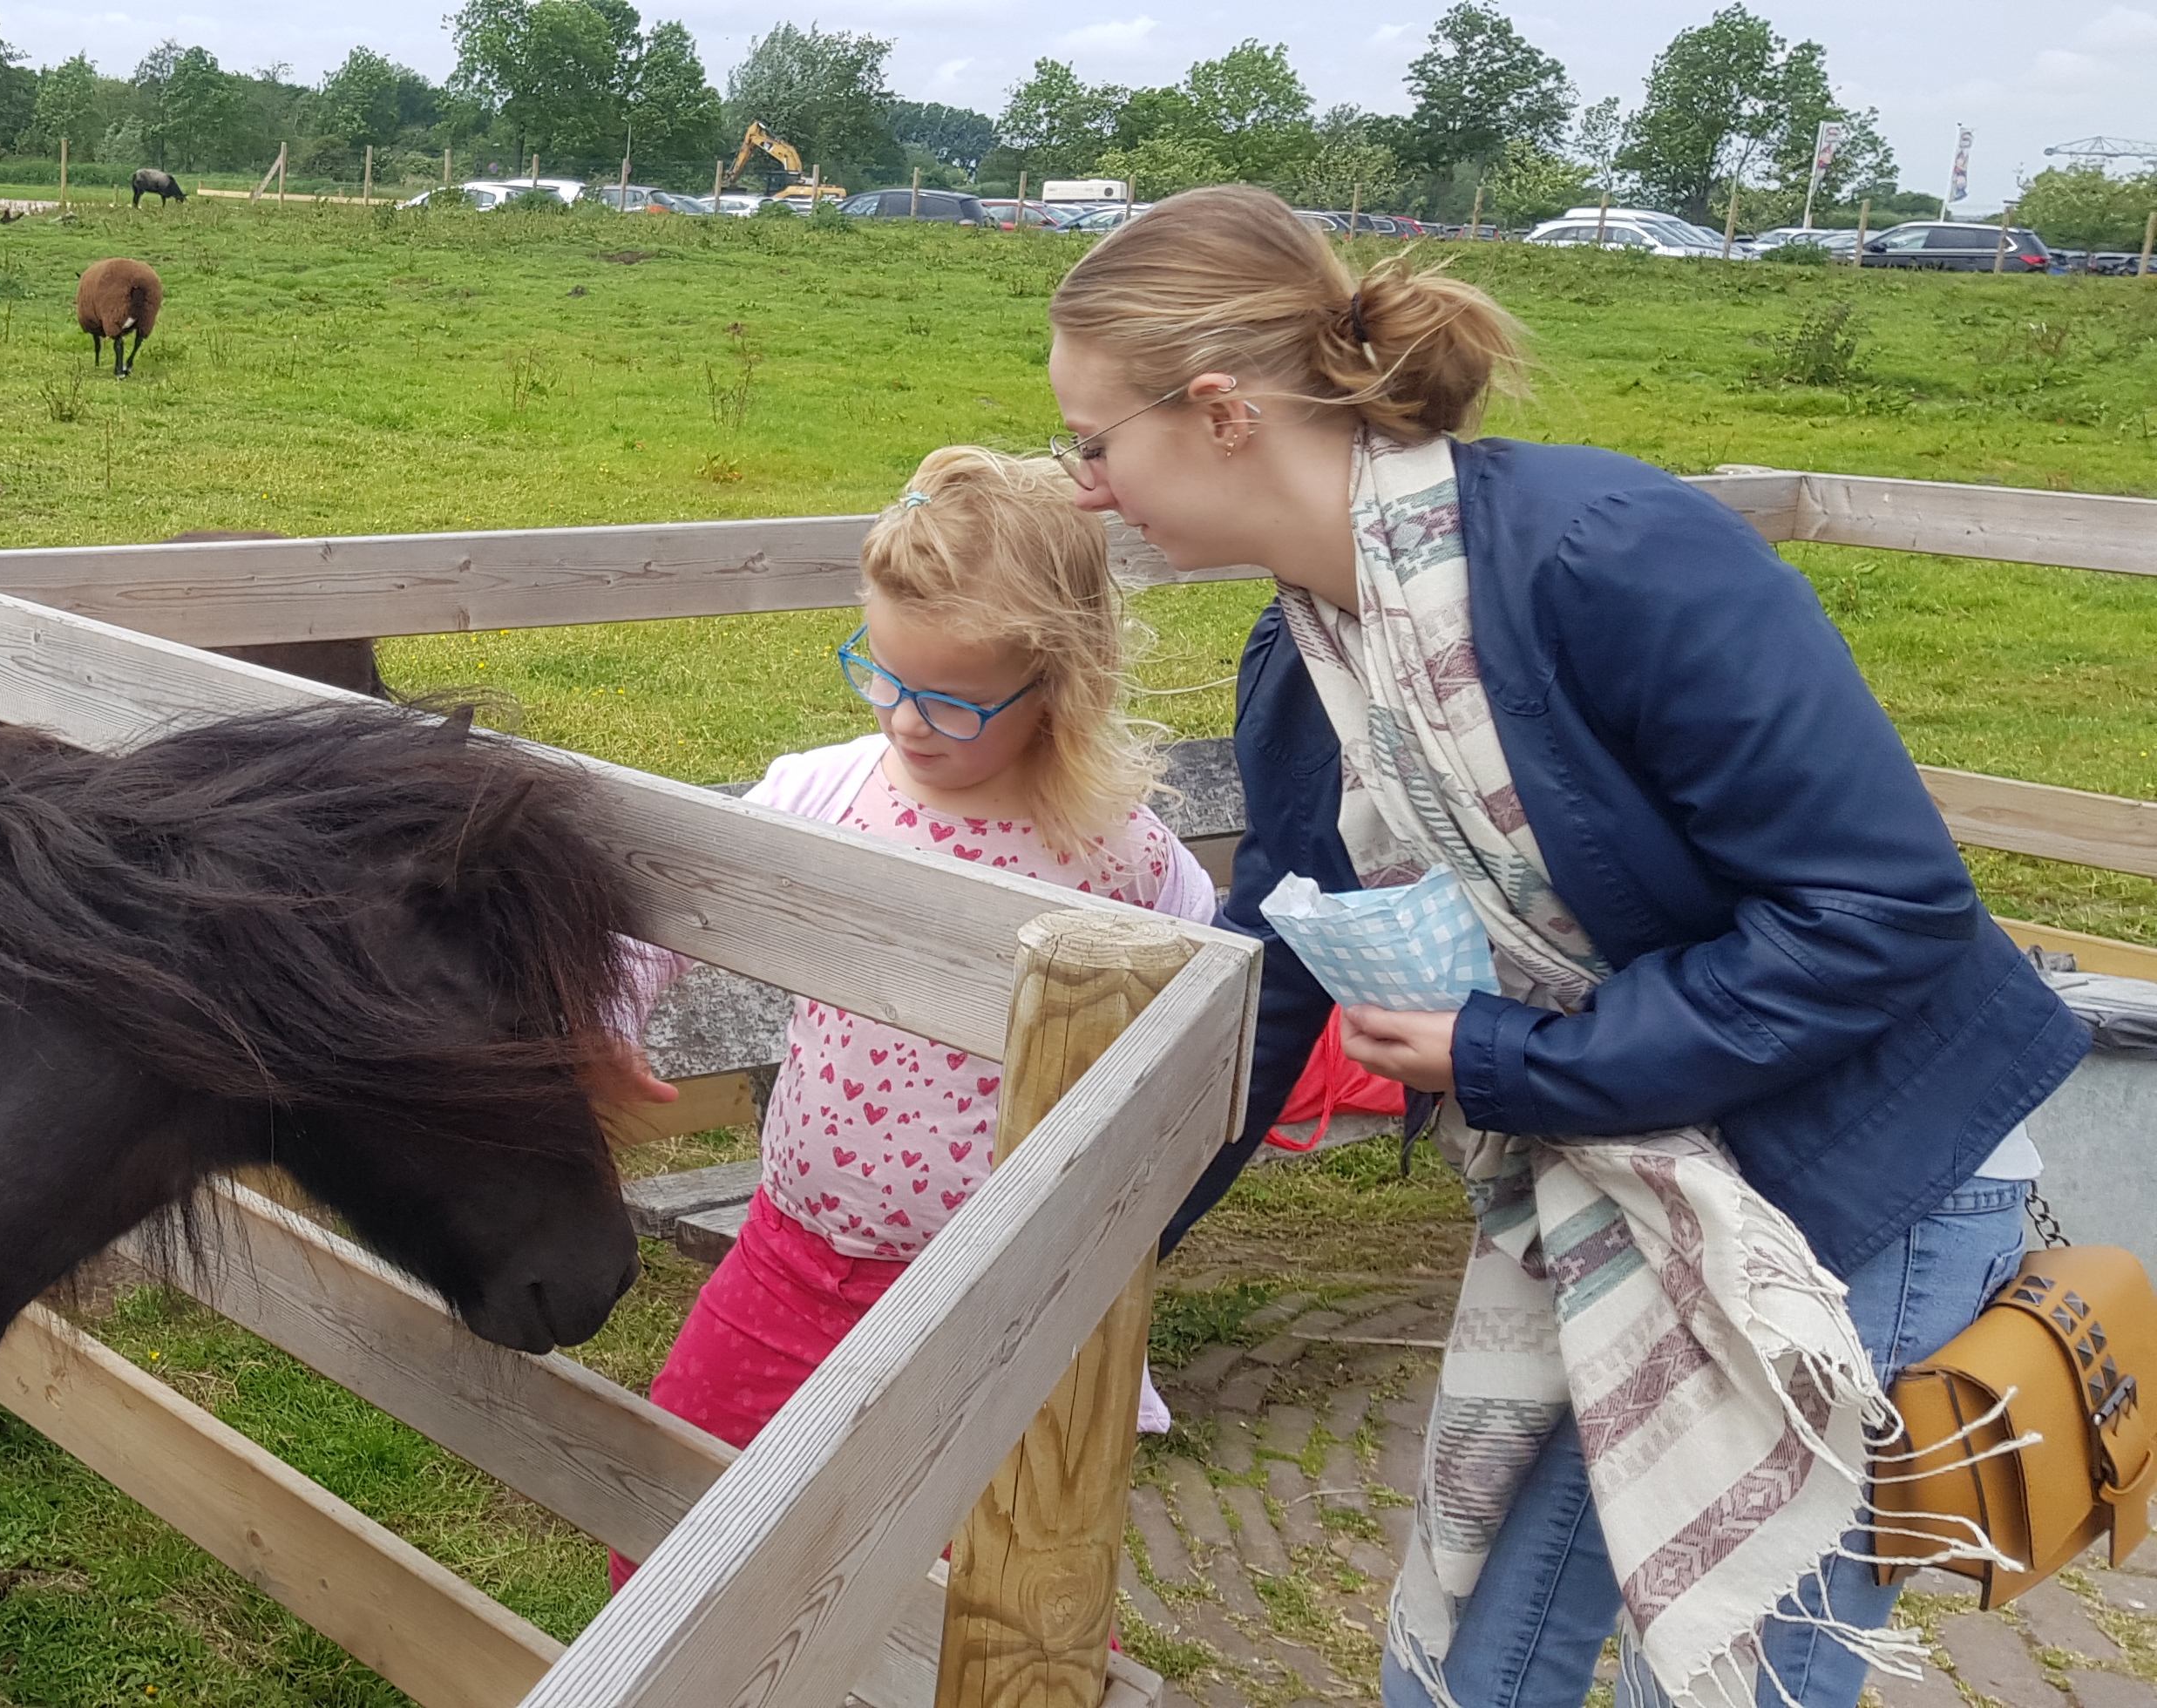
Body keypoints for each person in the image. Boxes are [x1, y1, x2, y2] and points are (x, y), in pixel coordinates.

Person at [1042, 185, 2082, 1708]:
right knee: (1477, 1657)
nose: (1083, 487)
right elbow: (1271, 983)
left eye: (1092, 441)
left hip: (1861, 1171)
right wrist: (1089, 1243)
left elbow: (1883, 913)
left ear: (1216, 412)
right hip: (1614, 1183)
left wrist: (1518, 1060)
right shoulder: (1304, 656)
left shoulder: (1611, 553)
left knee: (1742, 1669)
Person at [604, 445, 1217, 1583]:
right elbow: (668, 899)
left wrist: (1104, 1261)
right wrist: (612, 1019)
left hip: (985, 1300)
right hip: (787, 1252)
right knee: (671, 1530)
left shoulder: (1121, 859)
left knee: (970, 1584)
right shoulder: (825, 793)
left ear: (1060, 683)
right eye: (878, 671)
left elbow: (1198, 1022)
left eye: (950, 698)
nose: (904, 719)